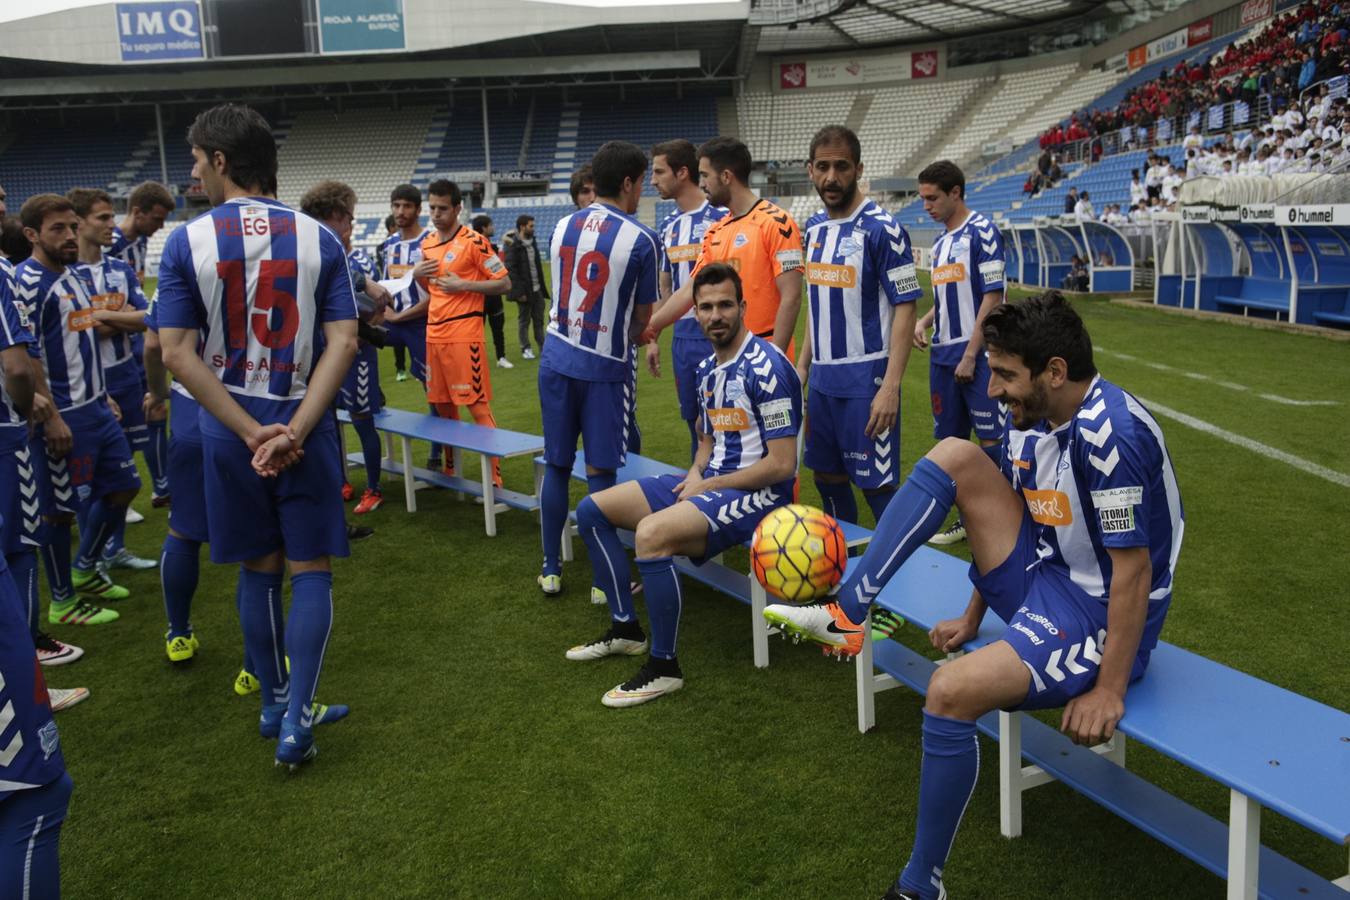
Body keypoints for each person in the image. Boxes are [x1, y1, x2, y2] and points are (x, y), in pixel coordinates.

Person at [763, 292, 1184, 900]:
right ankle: (848, 613)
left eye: (1007, 375)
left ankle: (920, 886)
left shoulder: (1109, 435)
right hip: (1048, 577)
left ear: (1056, 372)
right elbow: (1022, 521)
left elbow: (1134, 576)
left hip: (1100, 615)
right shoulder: (1032, 421)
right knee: (956, 454)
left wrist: (1110, 689)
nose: (992, 391)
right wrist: (972, 614)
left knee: (949, 690)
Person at [156, 103, 355, 769]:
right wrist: (292, 430)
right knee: (312, 569)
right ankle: (298, 714)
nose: (192, 173)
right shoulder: (321, 239)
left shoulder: (186, 241)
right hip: (306, 425)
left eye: (195, 160)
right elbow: (345, 341)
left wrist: (248, 432)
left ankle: (274, 702)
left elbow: (176, 353)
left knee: (259, 571)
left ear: (219, 161)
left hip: (227, 433)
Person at [566, 263, 800, 707]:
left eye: (725, 305)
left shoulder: (769, 368)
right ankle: (625, 629)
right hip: (713, 482)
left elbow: (783, 465)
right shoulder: (707, 370)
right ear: (694, 312)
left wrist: (712, 485)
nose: (716, 315)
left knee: (651, 535)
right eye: (706, 307)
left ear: (743, 307)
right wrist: (696, 474)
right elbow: (707, 441)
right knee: (594, 510)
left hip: (760, 497)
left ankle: (664, 667)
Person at [536, 141, 659, 597]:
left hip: (555, 358)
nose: (641, 191)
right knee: (602, 475)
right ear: (627, 182)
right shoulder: (643, 238)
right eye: (640, 182)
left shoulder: (562, 225)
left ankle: (551, 567)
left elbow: (560, 295)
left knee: (556, 465)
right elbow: (644, 318)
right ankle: (604, 581)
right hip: (605, 367)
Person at [14, 194, 140, 625]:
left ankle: (86, 566)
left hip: (96, 407)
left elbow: (81, 340)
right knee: (59, 510)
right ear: (32, 234)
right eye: (57, 229)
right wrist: (49, 415)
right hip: (63, 415)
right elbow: (26, 356)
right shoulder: (27, 283)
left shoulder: (73, 276)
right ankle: (63, 601)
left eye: (72, 227)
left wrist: (102, 394)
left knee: (124, 487)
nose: (69, 235)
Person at [798, 126, 920, 526]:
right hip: (821, 381)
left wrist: (890, 386)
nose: (832, 177)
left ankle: (904, 576)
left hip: (867, 380)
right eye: (823, 167)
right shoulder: (813, 228)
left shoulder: (883, 229)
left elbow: (906, 307)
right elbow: (817, 306)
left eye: (842, 167)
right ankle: (843, 566)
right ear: (810, 170)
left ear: (859, 169)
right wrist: (801, 369)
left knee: (878, 486)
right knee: (827, 477)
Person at [911, 160, 1006, 546]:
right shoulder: (941, 241)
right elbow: (950, 296)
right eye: (923, 199)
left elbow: (993, 295)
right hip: (943, 354)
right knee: (951, 442)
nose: (926, 206)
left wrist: (971, 353)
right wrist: (925, 320)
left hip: (978, 355)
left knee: (992, 440)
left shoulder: (982, 231)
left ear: (955, 193)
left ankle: (1003, 517)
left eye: (932, 198)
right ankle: (966, 518)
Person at [643, 137, 805, 359]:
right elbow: (690, 290)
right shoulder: (716, 231)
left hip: (765, 354)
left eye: (705, 175)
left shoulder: (777, 222)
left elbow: (792, 296)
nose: (701, 184)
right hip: (726, 358)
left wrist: (774, 361)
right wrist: (648, 326)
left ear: (726, 176)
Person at [0, 246, 84, 671]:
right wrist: (26, 407)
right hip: (5, 436)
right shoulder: (4, 271)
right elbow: (17, 367)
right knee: (18, 550)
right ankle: (27, 664)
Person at [67, 188, 156, 572]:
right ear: (79, 223)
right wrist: (106, 321)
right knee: (89, 478)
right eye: (102, 218)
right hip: (84, 387)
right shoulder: (66, 275)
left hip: (124, 376)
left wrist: (105, 320)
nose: (111, 226)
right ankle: (90, 559)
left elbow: (146, 316)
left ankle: (114, 549)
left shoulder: (118, 270)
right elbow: (68, 329)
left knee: (123, 469)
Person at [298, 180, 392, 516]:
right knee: (330, 418)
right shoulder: (314, 249)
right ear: (337, 215)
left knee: (361, 417)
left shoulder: (357, 259)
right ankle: (340, 480)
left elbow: (378, 312)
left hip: (357, 352)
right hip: (325, 351)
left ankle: (373, 488)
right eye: (349, 217)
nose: (351, 225)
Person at [418, 179, 511, 487]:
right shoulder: (427, 243)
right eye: (431, 208)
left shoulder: (475, 241)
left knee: (476, 405)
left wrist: (465, 285)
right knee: (443, 408)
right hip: (434, 335)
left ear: (458, 208)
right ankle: (450, 470)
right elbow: (432, 290)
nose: (436, 214)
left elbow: (504, 283)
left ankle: (494, 477)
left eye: (442, 208)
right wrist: (418, 276)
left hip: (464, 334)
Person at [646, 138, 727, 460]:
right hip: (682, 337)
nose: (653, 180)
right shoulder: (668, 226)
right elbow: (664, 288)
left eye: (658, 172)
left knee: (725, 418)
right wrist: (654, 337)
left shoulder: (720, 217)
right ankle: (700, 488)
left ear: (682, 172)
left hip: (717, 334)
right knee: (693, 422)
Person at [107, 181, 174, 508]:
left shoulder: (141, 241)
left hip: (135, 339)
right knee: (121, 418)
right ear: (137, 212)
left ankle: (161, 484)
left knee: (154, 406)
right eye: (157, 218)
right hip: (113, 350)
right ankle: (116, 494)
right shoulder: (110, 247)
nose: (160, 226)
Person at [378, 184, 446, 469]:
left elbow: (435, 298)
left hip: (420, 323)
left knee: (433, 390)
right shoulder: (389, 245)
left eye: (406, 206)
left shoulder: (430, 243)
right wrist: (386, 313)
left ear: (418, 210)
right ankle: (363, 406)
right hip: (394, 321)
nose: (400, 212)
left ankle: (438, 453)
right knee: (353, 342)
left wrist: (397, 318)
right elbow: (383, 287)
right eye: (396, 206)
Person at [504, 214, 548, 361]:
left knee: (539, 320)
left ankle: (543, 347)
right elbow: (511, 270)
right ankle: (526, 348)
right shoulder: (513, 245)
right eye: (531, 226)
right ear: (522, 227)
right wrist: (519, 292)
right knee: (524, 321)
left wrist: (541, 288)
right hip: (524, 291)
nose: (533, 228)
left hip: (537, 290)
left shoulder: (532, 241)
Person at [470, 214, 511, 369]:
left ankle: (501, 357)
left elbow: (501, 270)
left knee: (498, 328)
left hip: (493, 294)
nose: (493, 227)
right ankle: (476, 361)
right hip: (478, 296)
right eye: (490, 225)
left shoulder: (492, 247)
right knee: (476, 333)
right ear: (484, 228)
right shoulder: (471, 248)